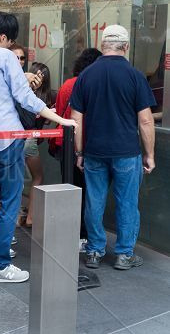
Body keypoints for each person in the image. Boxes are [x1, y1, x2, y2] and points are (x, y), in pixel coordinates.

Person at [0, 11, 77, 284]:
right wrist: (60, 119)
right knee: (10, 202)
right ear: (4, 37)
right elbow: (25, 97)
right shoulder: (4, 57)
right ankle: (0, 264)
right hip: (8, 138)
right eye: (11, 41)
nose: (12, 46)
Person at [70, 24, 156, 270]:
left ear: (103, 45)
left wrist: (79, 152)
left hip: (94, 151)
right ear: (126, 46)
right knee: (127, 202)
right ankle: (123, 254)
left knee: (94, 202)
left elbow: (77, 118)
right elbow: (146, 120)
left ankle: (95, 251)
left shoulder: (86, 75)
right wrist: (149, 154)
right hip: (127, 152)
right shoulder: (135, 76)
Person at [55, 48, 102, 247]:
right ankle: (82, 234)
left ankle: (68, 230)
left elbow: (58, 110)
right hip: (81, 143)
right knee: (85, 190)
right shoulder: (92, 84)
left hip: (62, 143)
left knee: (69, 188)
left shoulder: (67, 84)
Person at [21, 62, 54, 227]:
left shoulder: (21, 91)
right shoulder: (46, 96)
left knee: (14, 179)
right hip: (29, 139)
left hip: (17, 138)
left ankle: (22, 215)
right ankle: (31, 217)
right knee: (38, 176)